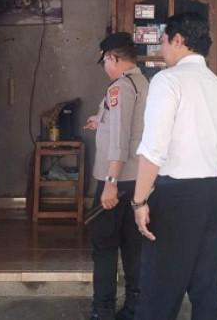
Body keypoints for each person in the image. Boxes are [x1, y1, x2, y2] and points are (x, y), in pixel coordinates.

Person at [131, 12, 217, 320]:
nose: (161, 48)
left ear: (178, 40)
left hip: (177, 197)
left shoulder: (168, 81)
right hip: (214, 193)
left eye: (163, 41)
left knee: (159, 291)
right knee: (205, 290)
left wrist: (139, 201)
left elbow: (153, 149)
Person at [84, 32, 149, 320]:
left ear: (112, 58)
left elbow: (121, 139)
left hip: (116, 180)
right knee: (133, 246)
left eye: (105, 62)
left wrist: (110, 184)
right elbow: (129, 125)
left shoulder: (120, 87)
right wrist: (100, 121)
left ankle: (103, 309)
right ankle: (135, 307)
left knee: (104, 246)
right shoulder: (142, 83)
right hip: (137, 180)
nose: (105, 68)